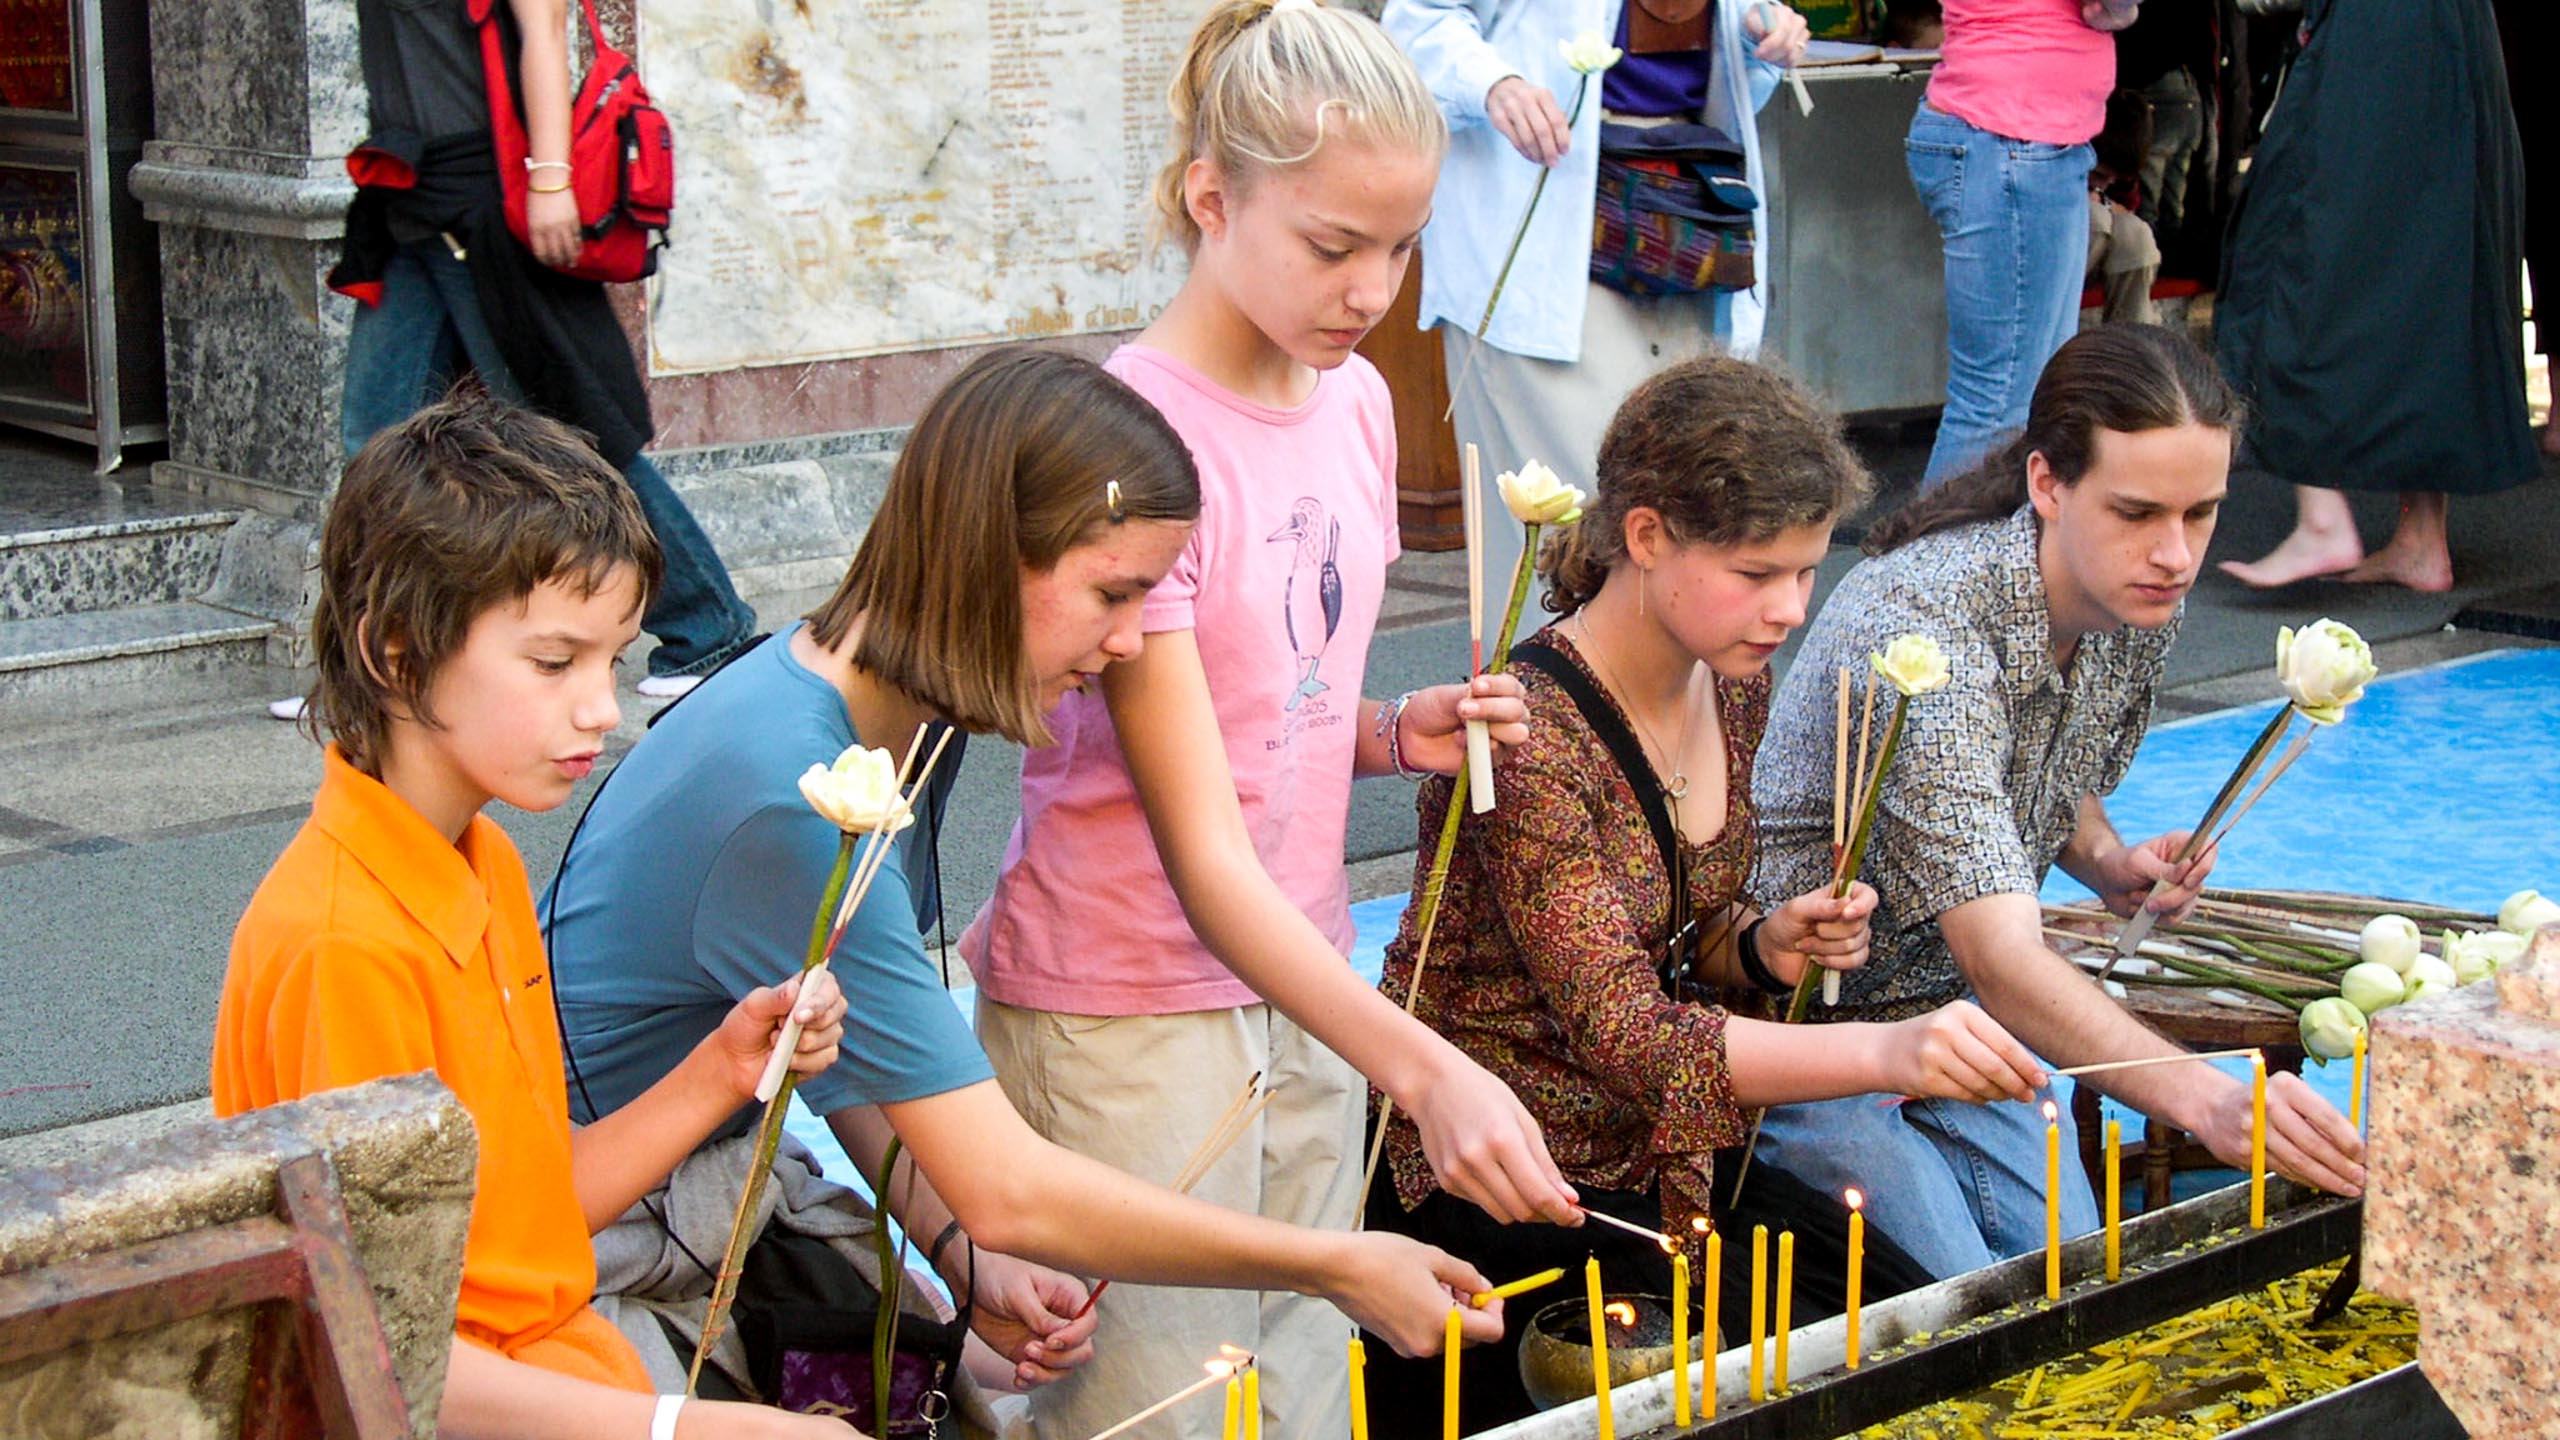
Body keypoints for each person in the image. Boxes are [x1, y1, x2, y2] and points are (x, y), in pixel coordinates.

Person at [546, 348, 1503, 1414]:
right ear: (986, 558)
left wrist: (956, 1248)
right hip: (593, 1251)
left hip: (704, 1190)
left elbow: (835, 1042)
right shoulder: (797, 798)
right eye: (1111, 591)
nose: (1133, 637)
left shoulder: (892, 714)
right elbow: (1007, 1186)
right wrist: (1334, 1264)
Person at [959, 7, 1579, 1437]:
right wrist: (1422, 1066)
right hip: (1130, 1005)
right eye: (1331, 245)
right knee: (1166, 1409)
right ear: (1210, 196)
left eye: (1403, 244)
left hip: (1304, 974)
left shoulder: (1357, 402)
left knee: (1304, 1388)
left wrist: (1382, 729)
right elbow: (1197, 848)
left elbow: (1264, 705)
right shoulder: (1128, 445)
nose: (1371, 288)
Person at [1363, 357, 2050, 1433]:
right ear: (1644, 538)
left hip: (1668, 1166)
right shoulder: (1528, 733)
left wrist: (1764, 943)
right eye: (1755, 572)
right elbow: (1631, 1035)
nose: (1787, 610)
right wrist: (1888, 1050)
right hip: (1513, 1179)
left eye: (1804, 573)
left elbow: (1681, 933)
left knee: (1893, 1335)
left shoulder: (1729, 674)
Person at [211, 391, 857, 1439]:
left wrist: (725, 1070)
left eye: (613, 660)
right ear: (395, 652)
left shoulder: (484, 861)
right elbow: (377, 1349)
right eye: (556, 663)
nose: (603, 707)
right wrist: (687, 1430)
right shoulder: (345, 944)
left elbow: (524, 1213)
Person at [1747, 326, 2368, 1280]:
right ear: (2047, 484)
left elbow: (2037, 760)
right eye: (2138, 512)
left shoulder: (2132, 592)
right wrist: (2206, 1100)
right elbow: (2002, 961)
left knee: (2077, 1279)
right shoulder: (1925, 630)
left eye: (2202, 513)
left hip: (1965, 1027)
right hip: (1810, 1037)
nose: (2176, 553)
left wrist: (2109, 862)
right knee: (1957, 1297)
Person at [269, 0, 756, 723]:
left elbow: (543, 31)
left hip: (487, 198)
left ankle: (711, 628)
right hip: (406, 203)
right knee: (375, 439)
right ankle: (372, 669)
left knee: (565, 436)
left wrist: (551, 181)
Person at [1384, 0, 1811, 590]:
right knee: (1576, 523)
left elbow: (1720, 81)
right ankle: (1546, 681)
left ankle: (1657, 684)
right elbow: (1417, 21)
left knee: (1688, 501)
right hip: (1540, 229)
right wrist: (1493, 84)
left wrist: (1760, 41)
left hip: (1679, 216)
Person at [2215, 0, 2539, 592]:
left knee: (2283, 239)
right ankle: (2421, 540)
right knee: (2435, 261)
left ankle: (2322, 519)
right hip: (2457, 34)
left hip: (2380, 32)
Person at [1910, 0, 2145, 487]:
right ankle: (1933, 560)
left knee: (2023, 396)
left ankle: (1949, 556)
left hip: (2007, 134)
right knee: (2002, 406)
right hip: (2014, 138)